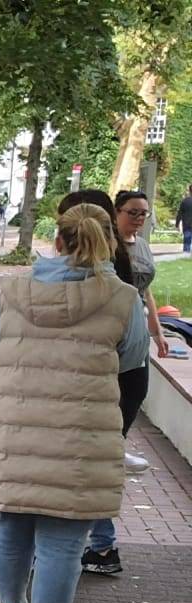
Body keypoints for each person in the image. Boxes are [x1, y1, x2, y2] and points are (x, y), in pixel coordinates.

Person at [0, 203, 144, 603]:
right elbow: (131, 362)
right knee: (64, 546)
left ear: (58, 241)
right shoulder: (123, 298)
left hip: (14, 432)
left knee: (11, 525)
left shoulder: (13, 292)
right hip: (82, 441)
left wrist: (15, 396)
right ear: (107, 242)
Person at [80, 189, 174, 576]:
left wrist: (157, 330)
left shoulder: (117, 268)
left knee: (93, 458)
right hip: (123, 363)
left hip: (126, 366)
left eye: (144, 213)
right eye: (133, 212)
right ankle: (102, 545)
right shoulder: (108, 265)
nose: (139, 219)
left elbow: (144, 292)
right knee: (96, 457)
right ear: (115, 215)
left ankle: (99, 546)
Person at [176, 185, 192, 255]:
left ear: (190, 191)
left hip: (187, 225)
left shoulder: (185, 201)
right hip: (187, 225)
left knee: (186, 243)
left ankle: (186, 256)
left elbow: (179, 213)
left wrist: (177, 224)